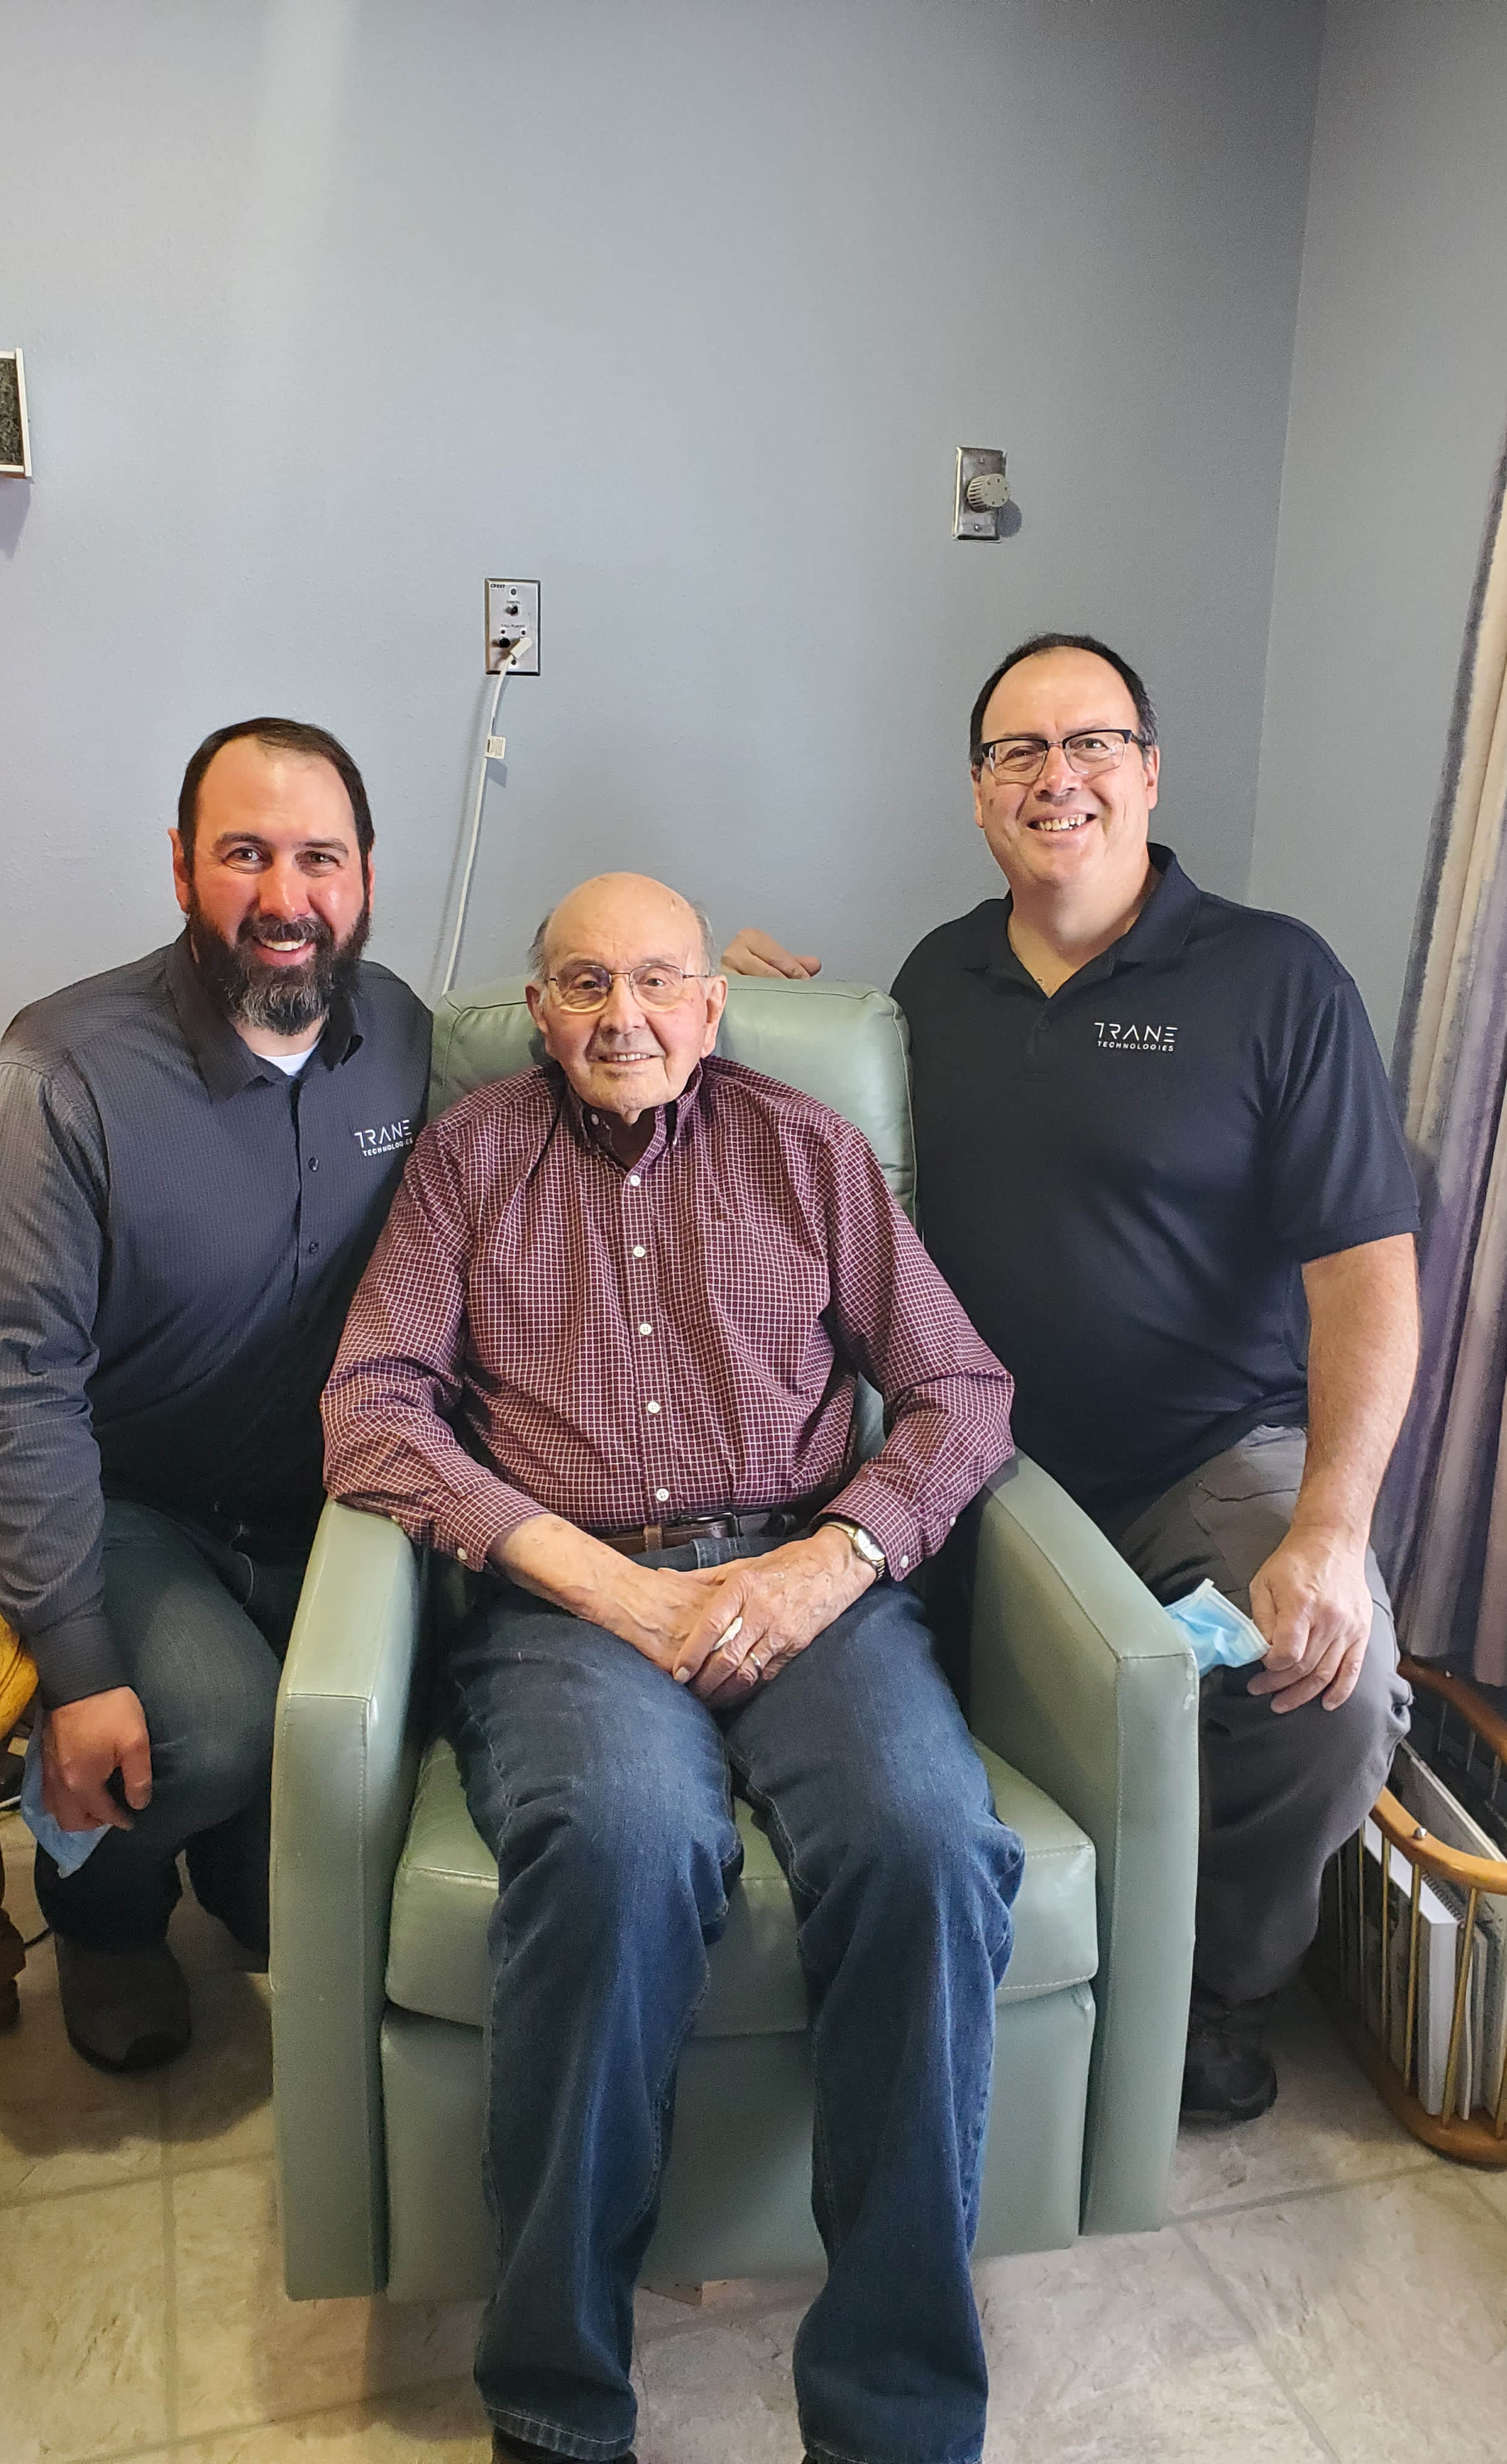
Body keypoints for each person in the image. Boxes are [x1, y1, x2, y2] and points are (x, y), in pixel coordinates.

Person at [323, 871, 1022, 2464]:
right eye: (583, 984)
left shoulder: (810, 1150)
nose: (621, 1017)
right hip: (572, 1603)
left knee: (929, 1846)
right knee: (628, 1847)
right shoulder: (468, 1159)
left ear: (713, 1005)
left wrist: (833, 1553)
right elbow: (371, 1411)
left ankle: (896, 2420)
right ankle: (559, 2413)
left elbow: (958, 1394)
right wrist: (600, 1586)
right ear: (539, 1007)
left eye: (656, 983)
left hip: (800, 1575)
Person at [725, 632, 1420, 2122]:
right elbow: (844, 1162)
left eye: (1093, 744)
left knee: (1334, 1699)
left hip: (1203, 1457)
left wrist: (1331, 1530)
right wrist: (741, 1023)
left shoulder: (1274, 978)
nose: (1059, 779)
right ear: (979, 797)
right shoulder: (937, 977)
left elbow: (1369, 1273)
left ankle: (1197, 1991)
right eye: (1018, 754)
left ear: (1151, 773)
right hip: (978, 1466)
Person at [0, 717, 430, 2073]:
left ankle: (232, 1864)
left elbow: (595, 1035)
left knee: (312, 1851)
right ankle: (99, 1914)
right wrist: (79, 1656)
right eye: (244, 855)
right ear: (179, 869)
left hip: (334, 1504)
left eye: (320, 858)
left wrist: (718, 976)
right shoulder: (63, 1070)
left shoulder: (404, 1037)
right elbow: (10, 1379)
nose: (286, 898)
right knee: (195, 1733)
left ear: (368, 877)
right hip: (136, 1504)